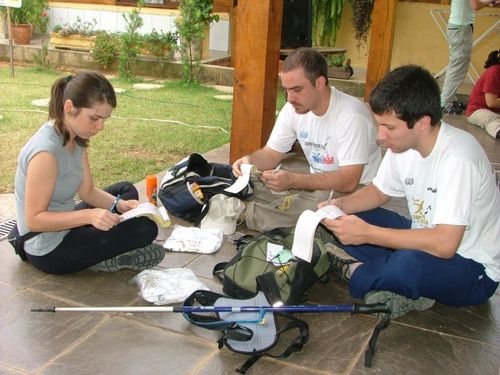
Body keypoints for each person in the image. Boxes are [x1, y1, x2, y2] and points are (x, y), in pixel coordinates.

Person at [321, 65, 499, 319]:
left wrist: (368, 234)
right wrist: (339, 206)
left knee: (408, 265)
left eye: (389, 128)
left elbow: (446, 244)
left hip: (470, 267)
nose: (381, 136)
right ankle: (394, 281)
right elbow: (379, 192)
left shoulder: (459, 158)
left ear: (422, 122)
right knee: (351, 219)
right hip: (423, 238)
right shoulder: (402, 147)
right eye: (379, 125)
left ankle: (356, 273)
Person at [14, 71, 165, 275]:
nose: (100, 127)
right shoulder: (45, 153)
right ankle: (103, 255)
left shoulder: (76, 138)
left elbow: (87, 192)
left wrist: (119, 205)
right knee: (145, 229)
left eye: (105, 119)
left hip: (66, 221)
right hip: (48, 248)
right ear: (69, 107)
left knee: (126, 190)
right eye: (94, 118)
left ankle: (100, 248)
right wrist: (89, 216)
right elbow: (34, 220)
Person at [232, 47, 382, 232]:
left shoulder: (351, 115)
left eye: (297, 90)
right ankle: (257, 204)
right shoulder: (293, 109)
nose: (290, 98)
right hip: (315, 184)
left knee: (321, 203)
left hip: (355, 190)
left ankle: (243, 214)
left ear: (319, 82)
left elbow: (349, 180)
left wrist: (294, 180)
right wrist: (248, 161)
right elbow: (271, 154)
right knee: (258, 181)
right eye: (286, 90)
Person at [440, 0, 499, 114]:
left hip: (460, 27)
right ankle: (445, 103)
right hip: (461, 28)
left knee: (458, 66)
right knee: (458, 67)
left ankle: (449, 99)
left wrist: (489, 2)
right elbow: (475, 5)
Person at [465, 49, 500, 139]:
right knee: (491, 119)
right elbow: (491, 102)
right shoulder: (494, 72)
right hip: (477, 111)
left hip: (496, 111)